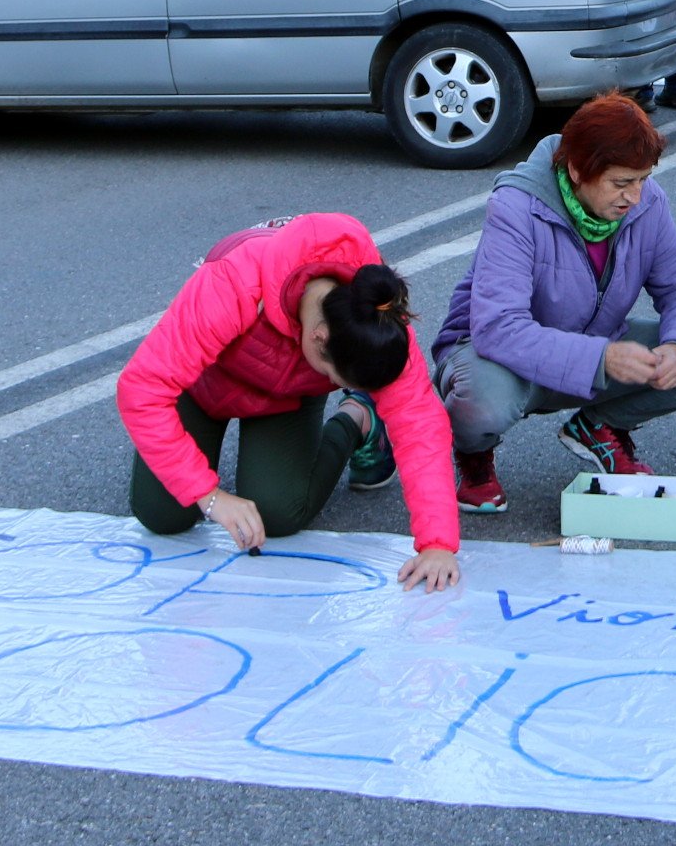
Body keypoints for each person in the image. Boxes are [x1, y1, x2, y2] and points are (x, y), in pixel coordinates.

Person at [115, 214, 461, 591]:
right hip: (202, 387)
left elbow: (419, 422)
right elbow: (142, 388)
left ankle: (356, 420)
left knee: (278, 513)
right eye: (334, 379)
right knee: (161, 515)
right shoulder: (234, 279)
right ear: (318, 337)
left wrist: (437, 543)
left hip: (284, 400)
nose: (332, 384)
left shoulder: (376, 320)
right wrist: (210, 496)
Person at [430, 93, 676, 512]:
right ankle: (473, 453)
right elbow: (498, 327)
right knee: (484, 403)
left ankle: (600, 427)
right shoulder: (515, 207)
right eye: (621, 183)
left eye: (642, 179)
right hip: (495, 356)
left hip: (589, 346)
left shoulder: (648, 203)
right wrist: (600, 358)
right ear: (575, 169)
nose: (635, 197)